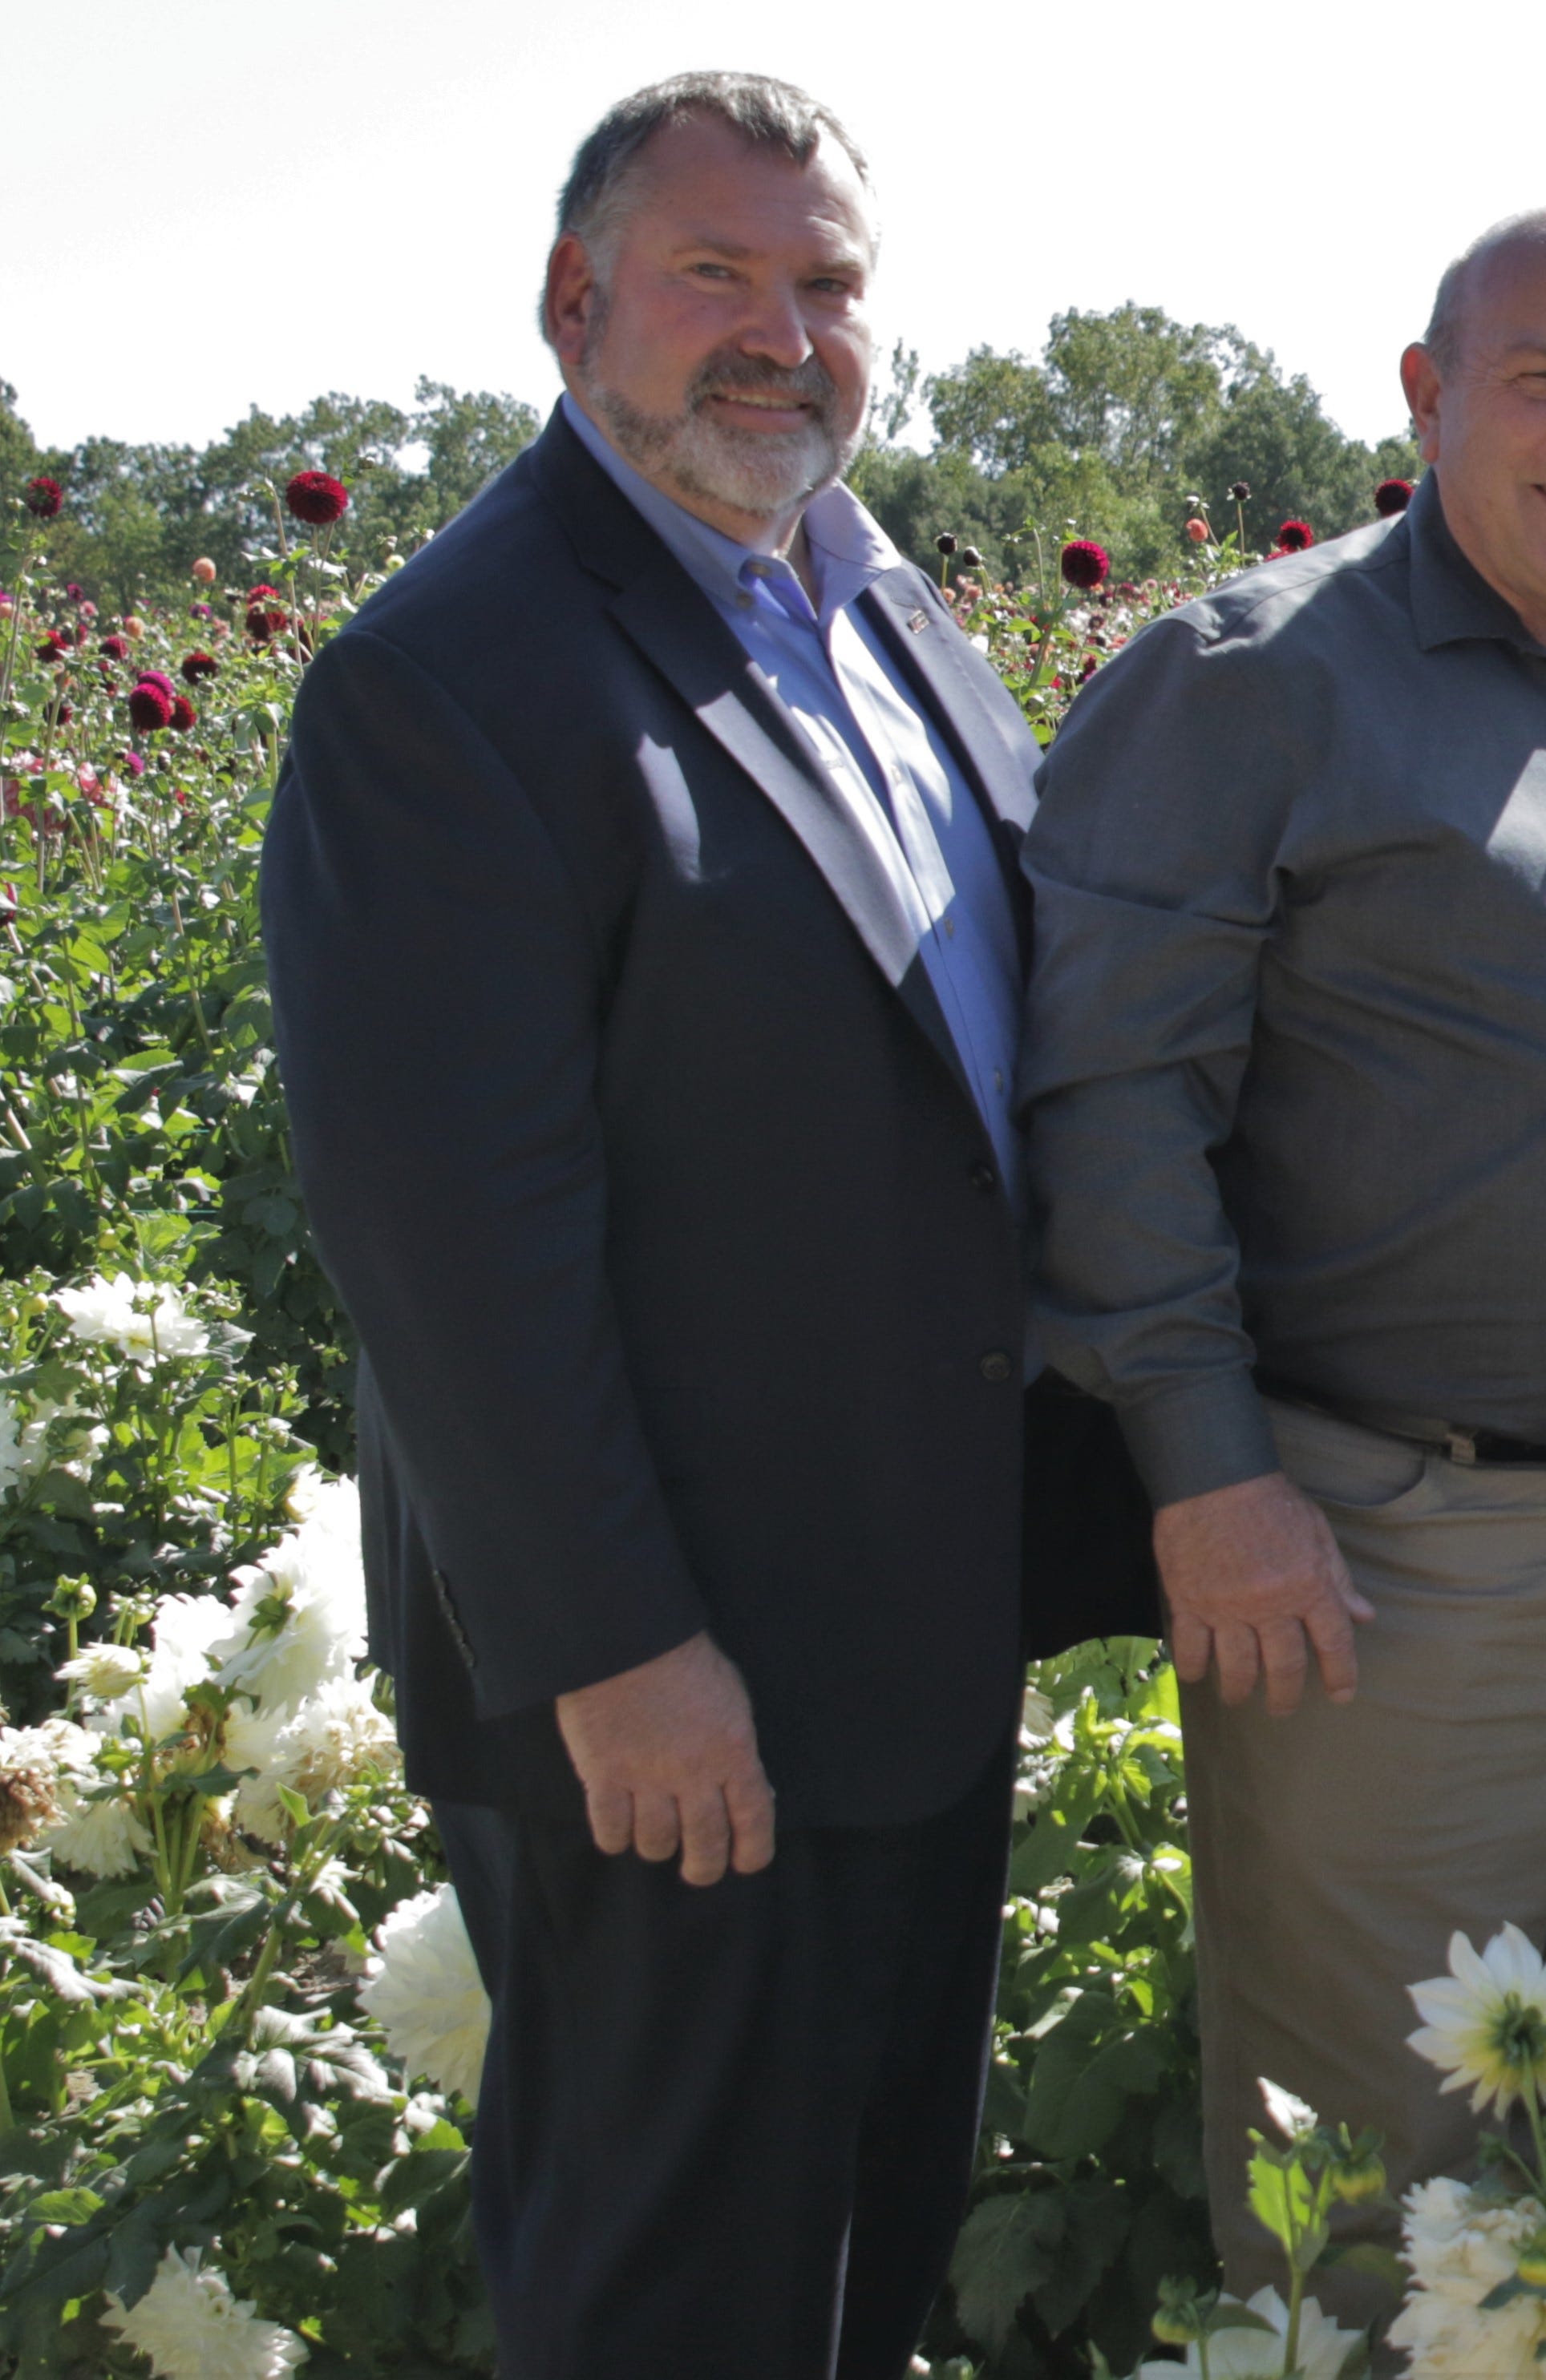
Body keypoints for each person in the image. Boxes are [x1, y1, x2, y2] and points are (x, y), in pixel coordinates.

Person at [262, 72, 1152, 2378]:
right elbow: (444, 1226)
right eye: (717, 276)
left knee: (862, 2251)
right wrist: (612, 1646)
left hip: (901, 1630)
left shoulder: (876, 614)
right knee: (676, 2287)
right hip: (678, 1685)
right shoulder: (452, 679)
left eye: (828, 283)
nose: (785, 333)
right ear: (576, 305)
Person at [1019, 207, 1546, 2301]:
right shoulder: (1254, 683)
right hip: (1391, 1551)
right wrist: (1208, 1480)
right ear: (1423, 398)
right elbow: (1108, 1099)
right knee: (1386, 2168)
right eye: (1545, 379)